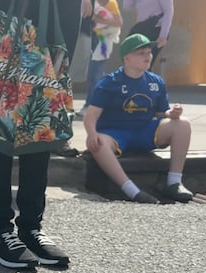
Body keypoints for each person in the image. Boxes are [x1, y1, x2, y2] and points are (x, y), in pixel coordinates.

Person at [0, 0, 90, 270]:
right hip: (4, 23)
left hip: (50, 24)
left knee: (40, 128)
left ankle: (30, 228)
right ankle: (0, 232)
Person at [83, 33, 192, 204]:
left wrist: (171, 113)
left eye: (149, 52)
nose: (147, 56)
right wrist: (91, 134)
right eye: (141, 53)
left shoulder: (156, 81)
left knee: (183, 124)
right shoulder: (109, 82)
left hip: (145, 131)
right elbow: (91, 115)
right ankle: (132, 190)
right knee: (99, 143)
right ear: (126, 57)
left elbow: (160, 112)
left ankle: (174, 182)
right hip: (115, 134)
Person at [76, 0, 122, 118]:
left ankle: (92, 106)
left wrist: (97, 19)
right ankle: (94, 105)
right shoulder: (90, 2)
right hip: (92, 40)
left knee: (95, 75)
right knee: (93, 76)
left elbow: (118, 22)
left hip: (103, 43)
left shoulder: (111, 3)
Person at [123, 0, 173, 71]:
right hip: (141, 28)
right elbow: (127, 6)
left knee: (144, 64)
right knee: (130, 62)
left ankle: (146, 80)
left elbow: (168, 11)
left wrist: (163, 36)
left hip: (156, 30)